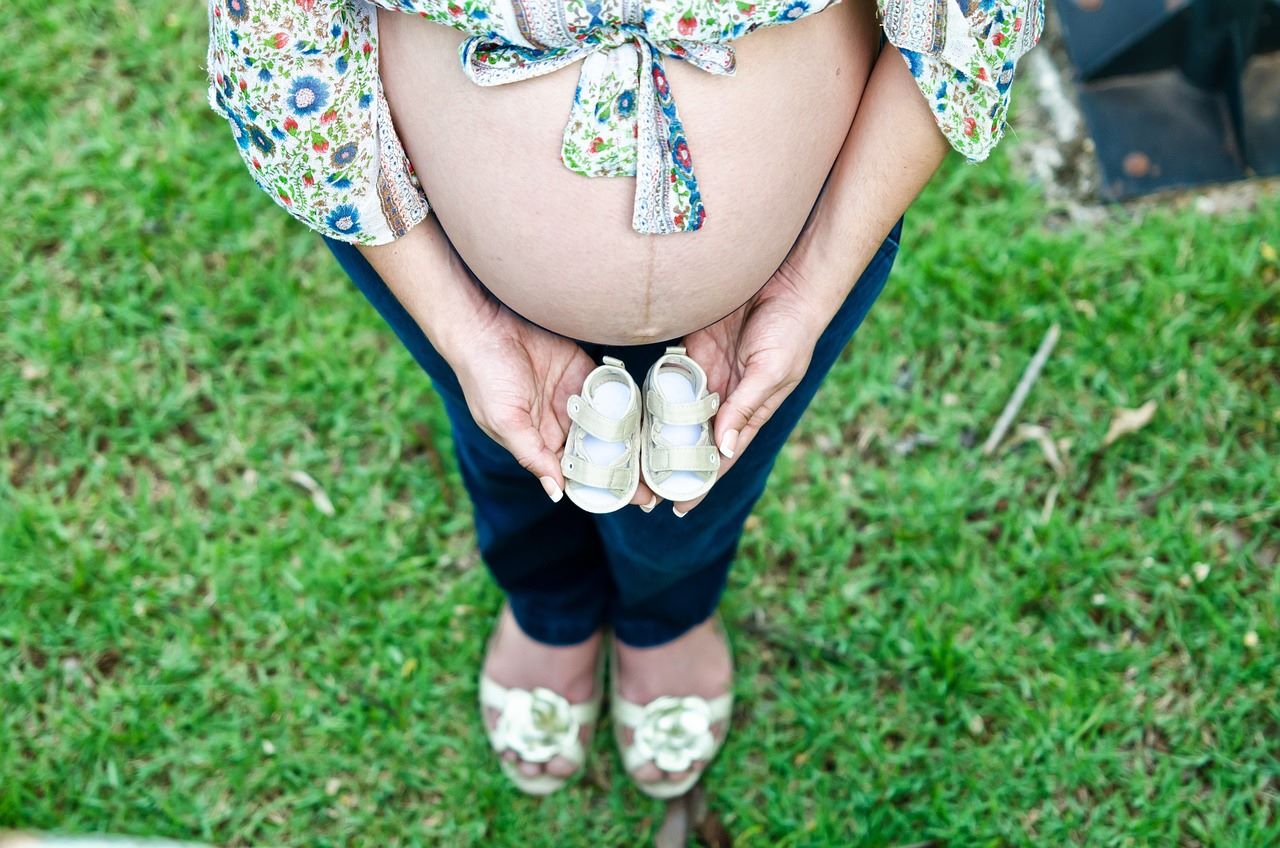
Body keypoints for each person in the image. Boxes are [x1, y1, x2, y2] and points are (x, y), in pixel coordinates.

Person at [207, 0, 1043, 799]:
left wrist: (811, 282)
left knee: (712, 475)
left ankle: (668, 620)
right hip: (431, 237)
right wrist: (465, 329)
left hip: (808, 248)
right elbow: (283, 21)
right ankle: (547, 605)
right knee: (503, 446)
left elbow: (968, 11)